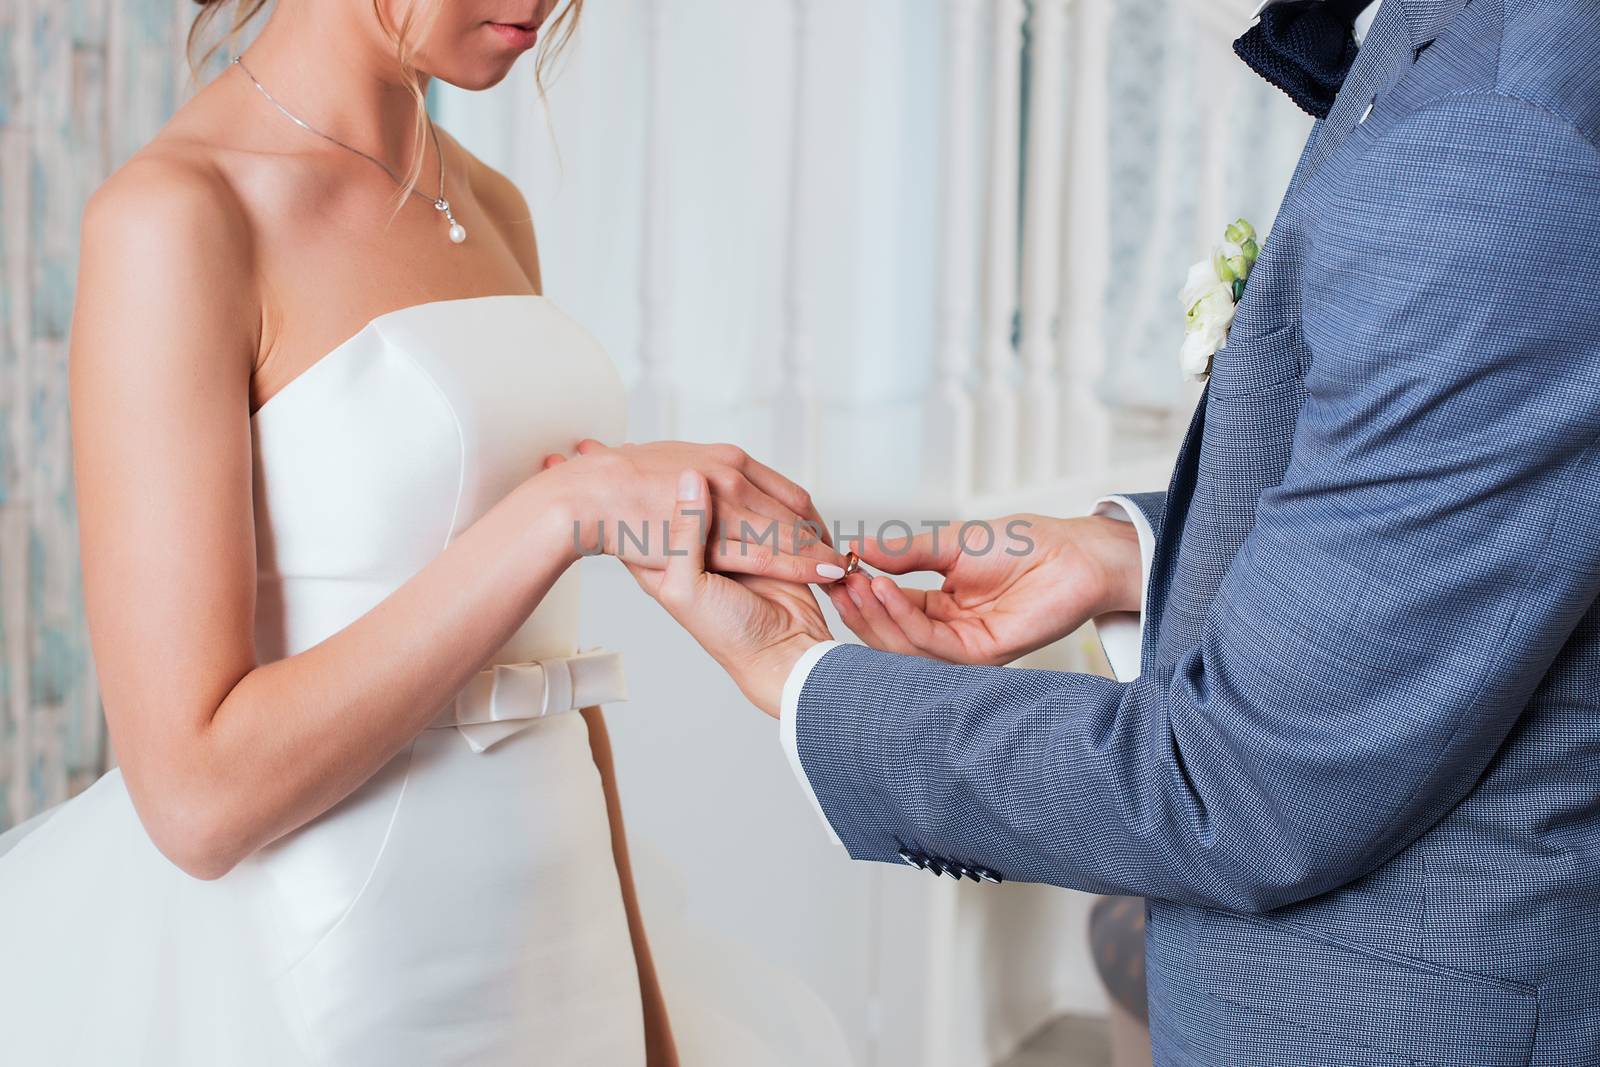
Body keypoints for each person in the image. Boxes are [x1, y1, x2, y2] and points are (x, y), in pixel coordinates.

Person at [625, 0, 1600, 1063]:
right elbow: (1464, 515)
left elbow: (1244, 788)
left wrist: (797, 673)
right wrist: (1129, 554)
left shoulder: (1506, 129)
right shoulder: (1458, 44)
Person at [0, 1, 848, 1063]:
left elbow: (552, 665)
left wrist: (645, 1018)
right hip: (336, 977)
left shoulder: (489, 203)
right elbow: (194, 796)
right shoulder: (178, 216)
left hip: (557, 937)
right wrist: (558, 511)